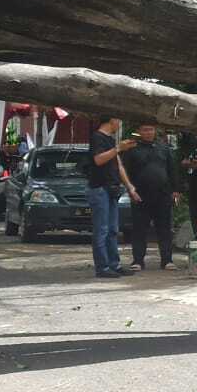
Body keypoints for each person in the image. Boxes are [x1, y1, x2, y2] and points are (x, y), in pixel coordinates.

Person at [121, 123, 180, 271]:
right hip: (140, 195)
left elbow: (172, 170)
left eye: (151, 129)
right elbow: (125, 170)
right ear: (139, 131)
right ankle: (138, 261)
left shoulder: (164, 149)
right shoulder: (132, 149)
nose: (148, 132)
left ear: (155, 131)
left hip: (163, 194)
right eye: (145, 130)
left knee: (165, 228)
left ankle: (167, 260)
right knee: (139, 229)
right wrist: (130, 190)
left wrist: (176, 189)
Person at [88, 116, 139, 279]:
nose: (120, 124)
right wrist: (118, 148)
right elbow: (98, 160)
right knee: (101, 229)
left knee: (113, 230)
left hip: (113, 188)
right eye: (119, 121)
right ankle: (102, 267)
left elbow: (119, 165)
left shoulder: (110, 140)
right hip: (100, 187)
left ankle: (114, 264)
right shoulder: (97, 137)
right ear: (112, 121)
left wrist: (130, 186)